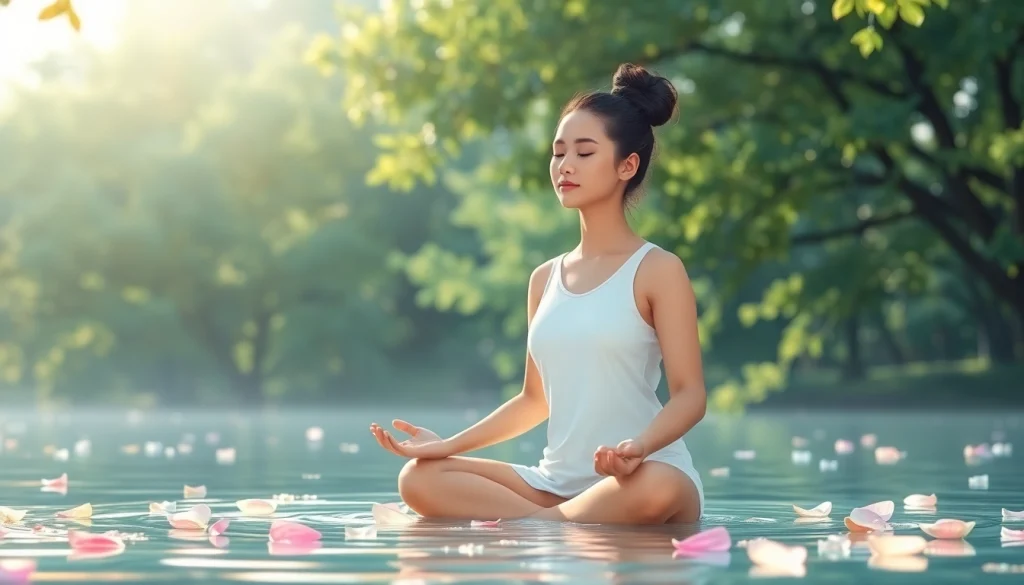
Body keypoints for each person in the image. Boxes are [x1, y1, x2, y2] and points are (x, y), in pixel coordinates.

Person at [369, 63, 706, 525]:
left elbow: (690, 395)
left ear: (627, 165)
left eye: (584, 153)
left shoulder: (658, 269)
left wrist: (640, 446)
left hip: (639, 475)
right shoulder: (544, 278)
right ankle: (554, 525)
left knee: (662, 485)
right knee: (419, 477)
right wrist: (447, 445)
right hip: (553, 484)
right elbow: (534, 400)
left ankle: (540, 527)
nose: (565, 165)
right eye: (558, 152)